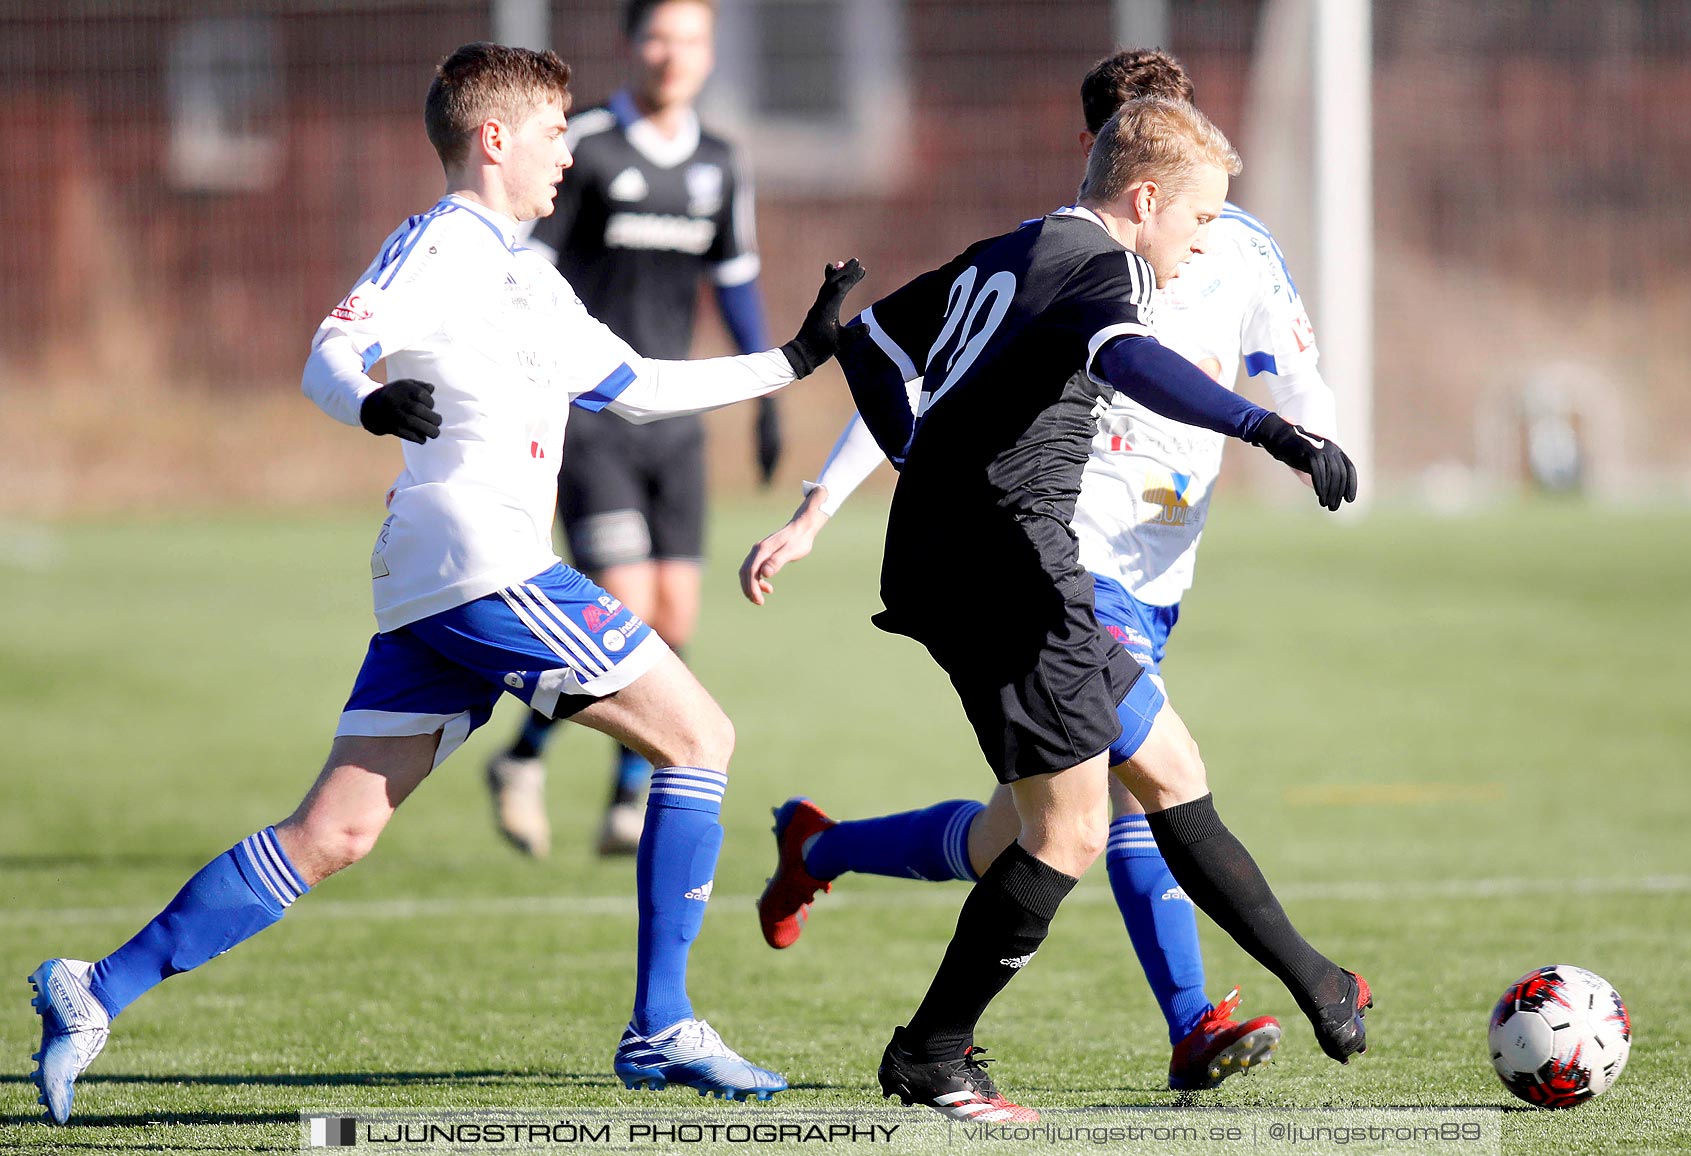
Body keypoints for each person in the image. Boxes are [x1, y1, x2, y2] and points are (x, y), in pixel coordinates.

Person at [25, 41, 863, 1125]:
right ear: (495, 138)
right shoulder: (440, 242)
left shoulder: (532, 272)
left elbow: (637, 386)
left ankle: (95, 989)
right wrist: (367, 404)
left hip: (442, 578)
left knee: (334, 834)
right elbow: (333, 347)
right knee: (700, 739)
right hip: (482, 560)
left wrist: (794, 360)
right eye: (557, 131)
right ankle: (661, 1023)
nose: (570, 150)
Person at [742, 49, 1346, 1097]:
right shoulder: (1100, 265)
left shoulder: (1020, 248)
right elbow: (1125, 358)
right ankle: (954, 1052)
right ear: (1138, 183)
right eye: (1198, 217)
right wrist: (1266, 432)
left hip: (1009, 560)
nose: (1206, 239)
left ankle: (1321, 981)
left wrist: (921, 454)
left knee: (1084, 803)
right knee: (1079, 824)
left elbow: (872, 338)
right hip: (1027, 566)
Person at [487, 0, 779, 859]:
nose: (672, 53)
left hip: (675, 420)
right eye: (658, 35)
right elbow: (527, 273)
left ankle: (590, 785)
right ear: (630, 44)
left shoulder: (722, 161)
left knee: (676, 611)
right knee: (623, 603)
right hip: (592, 416)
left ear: (709, 52)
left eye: (690, 38)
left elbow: (735, 281)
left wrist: (765, 393)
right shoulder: (581, 146)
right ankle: (556, 769)